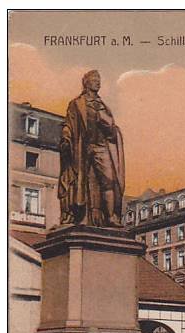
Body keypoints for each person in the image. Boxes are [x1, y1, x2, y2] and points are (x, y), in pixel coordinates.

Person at [58, 70, 125, 227]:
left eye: (99, 79)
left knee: (109, 180)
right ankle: (78, 216)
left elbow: (112, 130)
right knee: (79, 181)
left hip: (101, 147)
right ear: (86, 82)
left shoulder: (103, 106)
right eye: (94, 79)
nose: (98, 82)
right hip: (83, 147)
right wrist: (66, 139)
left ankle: (110, 217)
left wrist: (107, 123)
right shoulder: (76, 104)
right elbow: (69, 124)